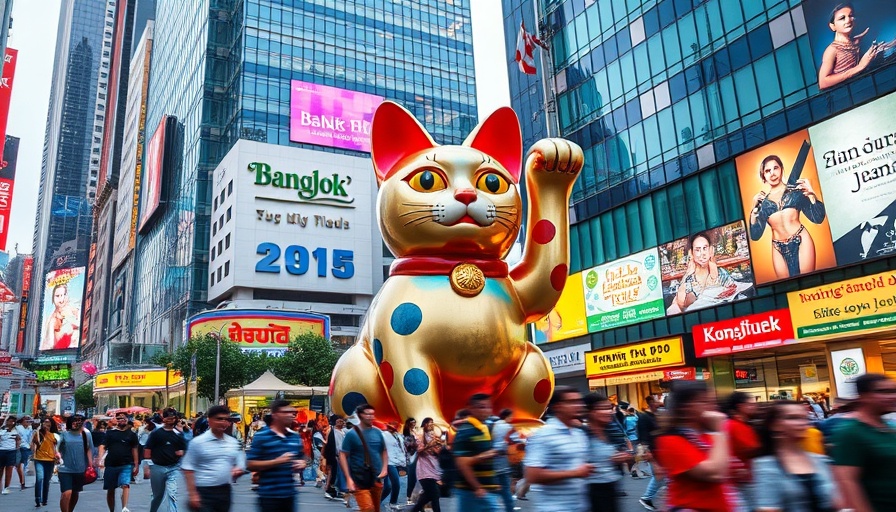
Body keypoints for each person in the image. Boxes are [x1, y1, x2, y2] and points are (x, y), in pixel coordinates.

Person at [653, 381, 733, 512]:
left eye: (713, 402)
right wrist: (720, 431)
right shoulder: (669, 440)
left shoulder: (707, 433)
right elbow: (714, 473)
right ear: (685, 407)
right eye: (704, 402)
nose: (712, 407)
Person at [751, 400, 840, 512]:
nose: (802, 422)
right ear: (775, 425)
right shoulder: (765, 466)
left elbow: (837, 502)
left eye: (804, 418)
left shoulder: (821, 461)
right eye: (793, 418)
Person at [749, 154, 826, 278]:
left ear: (781, 169)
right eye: (768, 171)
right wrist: (753, 210)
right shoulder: (763, 203)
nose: (772, 173)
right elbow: (755, 235)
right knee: (787, 288)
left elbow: (818, 218)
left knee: (809, 282)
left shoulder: (795, 192)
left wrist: (811, 194)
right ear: (763, 175)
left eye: (775, 168)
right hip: (777, 247)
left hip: (801, 241)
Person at [831, 373, 896, 511]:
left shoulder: (890, 427)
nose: (893, 396)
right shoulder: (850, 431)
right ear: (863, 396)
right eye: (883, 392)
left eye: (894, 391)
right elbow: (847, 481)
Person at [523, 386, 592, 512]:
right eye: (572, 402)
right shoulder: (544, 434)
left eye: (579, 401)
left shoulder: (578, 434)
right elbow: (532, 475)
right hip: (554, 508)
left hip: (579, 506)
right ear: (557, 406)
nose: (579, 405)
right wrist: (575, 473)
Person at [182, 405, 246, 512]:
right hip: (204, 491)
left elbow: (241, 461)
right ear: (209, 420)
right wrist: (193, 494)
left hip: (225, 491)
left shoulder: (233, 443)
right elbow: (188, 468)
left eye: (226, 419)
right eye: (219, 419)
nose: (223, 422)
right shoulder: (198, 442)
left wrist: (239, 468)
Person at [246, 400, 305, 512]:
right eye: (287, 412)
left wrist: (301, 464)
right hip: (269, 496)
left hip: (289, 495)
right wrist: (277, 461)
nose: (292, 415)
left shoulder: (294, 437)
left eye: (293, 412)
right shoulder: (262, 436)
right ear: (275, 415)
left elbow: (301, 458)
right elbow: (250, 464)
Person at [818, 3, 887, 90]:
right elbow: (823, 82)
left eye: (850, 16)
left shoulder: (854, 42)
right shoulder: (831, 50)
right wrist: (860, 66)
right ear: (833, 26)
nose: (848, 20)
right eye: (842, 18)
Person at [583, 393, 632, 512]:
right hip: (590, 493)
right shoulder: (581, 435)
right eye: (602, 408)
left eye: (609, 408)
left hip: (612, 487)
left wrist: (626, 456)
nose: (609, 412)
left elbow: (628, 453)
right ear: (589, 411)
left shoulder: (611, 430)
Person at [452, 394, 500, 511]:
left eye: (488, 407)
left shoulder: (485, 426)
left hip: (487, 490)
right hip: (471, 491)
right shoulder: (465, 430)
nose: (486, 411)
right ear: (471, 409)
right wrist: (477, 487)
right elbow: (462, 463)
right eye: (481, 407)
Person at [670, 231, 737, 313]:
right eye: (697, 250)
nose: (702, 254)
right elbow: (681, 303)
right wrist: (687, 274)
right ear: (692, 253)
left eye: (705, 248)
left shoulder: (720, 273)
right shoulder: (689, 279)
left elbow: (733, 288)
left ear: (710, 250)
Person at [339, 404, 388, 512]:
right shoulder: (352, 434)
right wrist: (348, 478)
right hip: (359, 477)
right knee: (368, 508)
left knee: (375, 509)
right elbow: (343, 455)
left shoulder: (378, 432)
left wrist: (385, 468)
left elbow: (384, 450)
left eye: (372, 414)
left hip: (376, 476)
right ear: (360, 415)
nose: (371, 417)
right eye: (368, 414)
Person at [722, 392, 760, 509]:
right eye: (750, 404)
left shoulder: (736, 424)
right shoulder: (735, 425)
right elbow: (750, 449)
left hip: (741, 477)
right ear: (740, 406)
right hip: (742, 478)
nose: (754, 407)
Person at [145, 407, 187, 512]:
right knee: (157, 495)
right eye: (168, 418)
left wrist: (181, 453)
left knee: (172, 493)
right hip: (157, 467)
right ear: (163, 418)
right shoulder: (156, 434)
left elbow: (183, 450)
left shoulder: (178, 434)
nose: (170, 420)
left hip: (173, 468)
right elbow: (147, 451)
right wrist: (147, 467)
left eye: (172, 418)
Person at [99, 412, 139, 512]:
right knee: (111, 490)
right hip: (111, 464)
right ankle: (111, 510)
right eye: (119, 418)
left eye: (123, 418)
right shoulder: (110, 433)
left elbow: (135, 449)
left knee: (125, 485)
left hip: (126, 464)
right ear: (115, 420)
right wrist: (100, 459)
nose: (121, 420)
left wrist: (136, 464)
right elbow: (103, 446)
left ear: (127, 419)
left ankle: (124, 508)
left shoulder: (132, 434)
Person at [57, 414, 94, 512]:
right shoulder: (64, 434)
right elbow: (57, 448)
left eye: (79, 421)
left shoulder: (86, 434)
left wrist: (90, 464)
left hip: (80, 468)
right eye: (74, 421)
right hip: (64, 469)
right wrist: (57, 455)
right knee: (66, 493)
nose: (76, 423)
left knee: (75, 493)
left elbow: (89, 448)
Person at [637, 396, 664, 512]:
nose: (659, 402)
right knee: (659, 475)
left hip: (660, 450)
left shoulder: (657, 415)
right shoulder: (644, 418)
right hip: (652, 451)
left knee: (661, 475)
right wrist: (647, 453)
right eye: (657, 400)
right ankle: (646, 497)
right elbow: (643, 438)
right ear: (651, 403)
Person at [410, 418, 442, 512]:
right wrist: (430, 444)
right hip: (424, 470)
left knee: (429, 495)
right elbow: (419, 450)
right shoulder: (420, 436)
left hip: (434, 468)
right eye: (429, 423)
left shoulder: (434, 436)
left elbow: (437, 452)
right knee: (435, 494)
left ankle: (414, 510)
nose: (431, 425)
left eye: (432, 422)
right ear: (424, 424)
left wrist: (439, 446)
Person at [490, 409, 516, 512]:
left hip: (490, 462)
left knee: (492, 490)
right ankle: (509, 509)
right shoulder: (509, 428)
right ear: (507, 416)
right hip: (503, 463)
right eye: (511, 416)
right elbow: (515, 443)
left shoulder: (492, 426)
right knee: (505, 489)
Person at [40, 283, 81, 350]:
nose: (61, 299)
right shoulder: (52, 319)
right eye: (57, 296)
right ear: (53, 298)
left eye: (64, 295)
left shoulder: (74, 311)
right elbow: (48, 343)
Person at [32, 417, 59, 507]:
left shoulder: (54, 435)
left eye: (48, 422)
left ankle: (45, 499)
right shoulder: (38, 433)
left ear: (51, 424)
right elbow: (34, 444)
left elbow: (57, 447)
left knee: (47, 480)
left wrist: (57, 457)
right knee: (39, 479)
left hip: (50, 459)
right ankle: (38, 498)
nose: (46, 424)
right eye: (44, 422)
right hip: (39, 459)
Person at [381, 421, 407, 511]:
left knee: (388, 487)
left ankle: (376, 502)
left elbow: (401, 448)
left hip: (396, 462)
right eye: (391, 425)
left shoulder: (398, 436)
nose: (393, 427)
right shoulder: (383, 435)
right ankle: (393, 503)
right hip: (388, 462)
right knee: (396, 483)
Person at [323, 415, 346, 500]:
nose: (341, 422)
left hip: (341, 456)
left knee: (337, 474)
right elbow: (328, 445)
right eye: (339, 421)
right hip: (334, 456)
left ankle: (335, 490)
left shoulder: (343, 432)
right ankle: (329, 490)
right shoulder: (332, 431)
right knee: (332, 473)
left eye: (342, 421)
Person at [0, 415, 20, 495]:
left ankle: (6, 487)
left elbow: (18, 440)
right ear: (7, 421)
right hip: (1, 451)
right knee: (1, 469)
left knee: (9, 470)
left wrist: (17, 449)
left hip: (11, 451)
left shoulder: (16, 430)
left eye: (13, 421)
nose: (11, 422)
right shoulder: (2, 429)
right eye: (10, 421)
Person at [401, 418, 418, 506]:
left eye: (415, 423)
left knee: (415, 478)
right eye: (412, 423)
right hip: (409, 458)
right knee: (411, 479)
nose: (414, 425)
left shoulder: (415, 433)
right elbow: (408, 445)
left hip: (416, 457)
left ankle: (411, 496)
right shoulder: (406, 435)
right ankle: (408, 496)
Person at [15, 416, 34, 491]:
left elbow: (31, 439)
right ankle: (22, 483)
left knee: (23, 465)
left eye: (29, 421)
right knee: (21, 465)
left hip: (27, 448)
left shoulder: (29, 428)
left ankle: (23, 482)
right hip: (21, 448)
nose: (28, 422)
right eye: (27, 420)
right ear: (22, 421)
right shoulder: (18, 428)